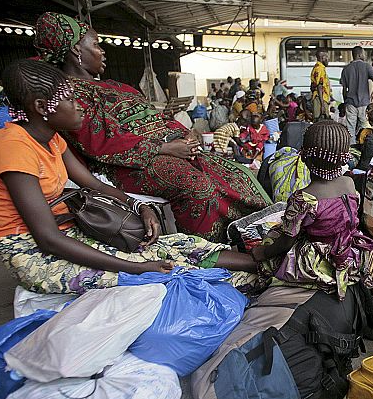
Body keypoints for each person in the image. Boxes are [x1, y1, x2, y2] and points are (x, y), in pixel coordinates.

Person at [0, 59, 256, 295]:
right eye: (70, 100)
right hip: (31, 250)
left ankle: (263, 264)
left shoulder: (52, 139)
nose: (80, 107)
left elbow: (93, 184)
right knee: (167, 272)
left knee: (179, 244)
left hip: (70, 229)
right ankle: (253, 280)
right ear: (41, 107)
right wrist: (136, 268)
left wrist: (139, 206)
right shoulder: (12, 148)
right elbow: (47, 239)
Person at [33, 12, 269, 241]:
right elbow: (100, 142)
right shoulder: (70, 96)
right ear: (76, 50)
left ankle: (256, 233)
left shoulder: (116, 86)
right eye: (96, 45)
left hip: (166, 150)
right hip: (127, 164)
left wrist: (185, 135)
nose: (103, 51)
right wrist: (165, 148)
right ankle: (209, 251)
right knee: (197, 187)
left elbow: (155, 118)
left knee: (233, 171)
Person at [250, 120, 373, 300]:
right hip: (350, 252)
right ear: (344, 159)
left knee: (272, 243)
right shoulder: (349, 183)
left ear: (304, 157)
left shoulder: (303, 198)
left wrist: (262, 253)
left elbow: (286, 242)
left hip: (318, 263)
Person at [340, 46, 373, 144]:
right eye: (364, 53)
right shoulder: (366, 66)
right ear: (360, 54)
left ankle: (352, 150)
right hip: (364, 103)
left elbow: (344, 89)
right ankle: (365, 146)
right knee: (365, 126)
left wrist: (345, 102)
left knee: (350, 128)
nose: (365, 55)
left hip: (350, 103)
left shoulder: (346, 69)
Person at [310, 48, 332, 121]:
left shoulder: (317, 67)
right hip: (320, 99)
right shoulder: (320, 69)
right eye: (327, 57)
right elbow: (319, 86)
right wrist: (322, 105)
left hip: (320, 98)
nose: (328, 60)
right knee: (321, 122)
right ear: (323, 57)